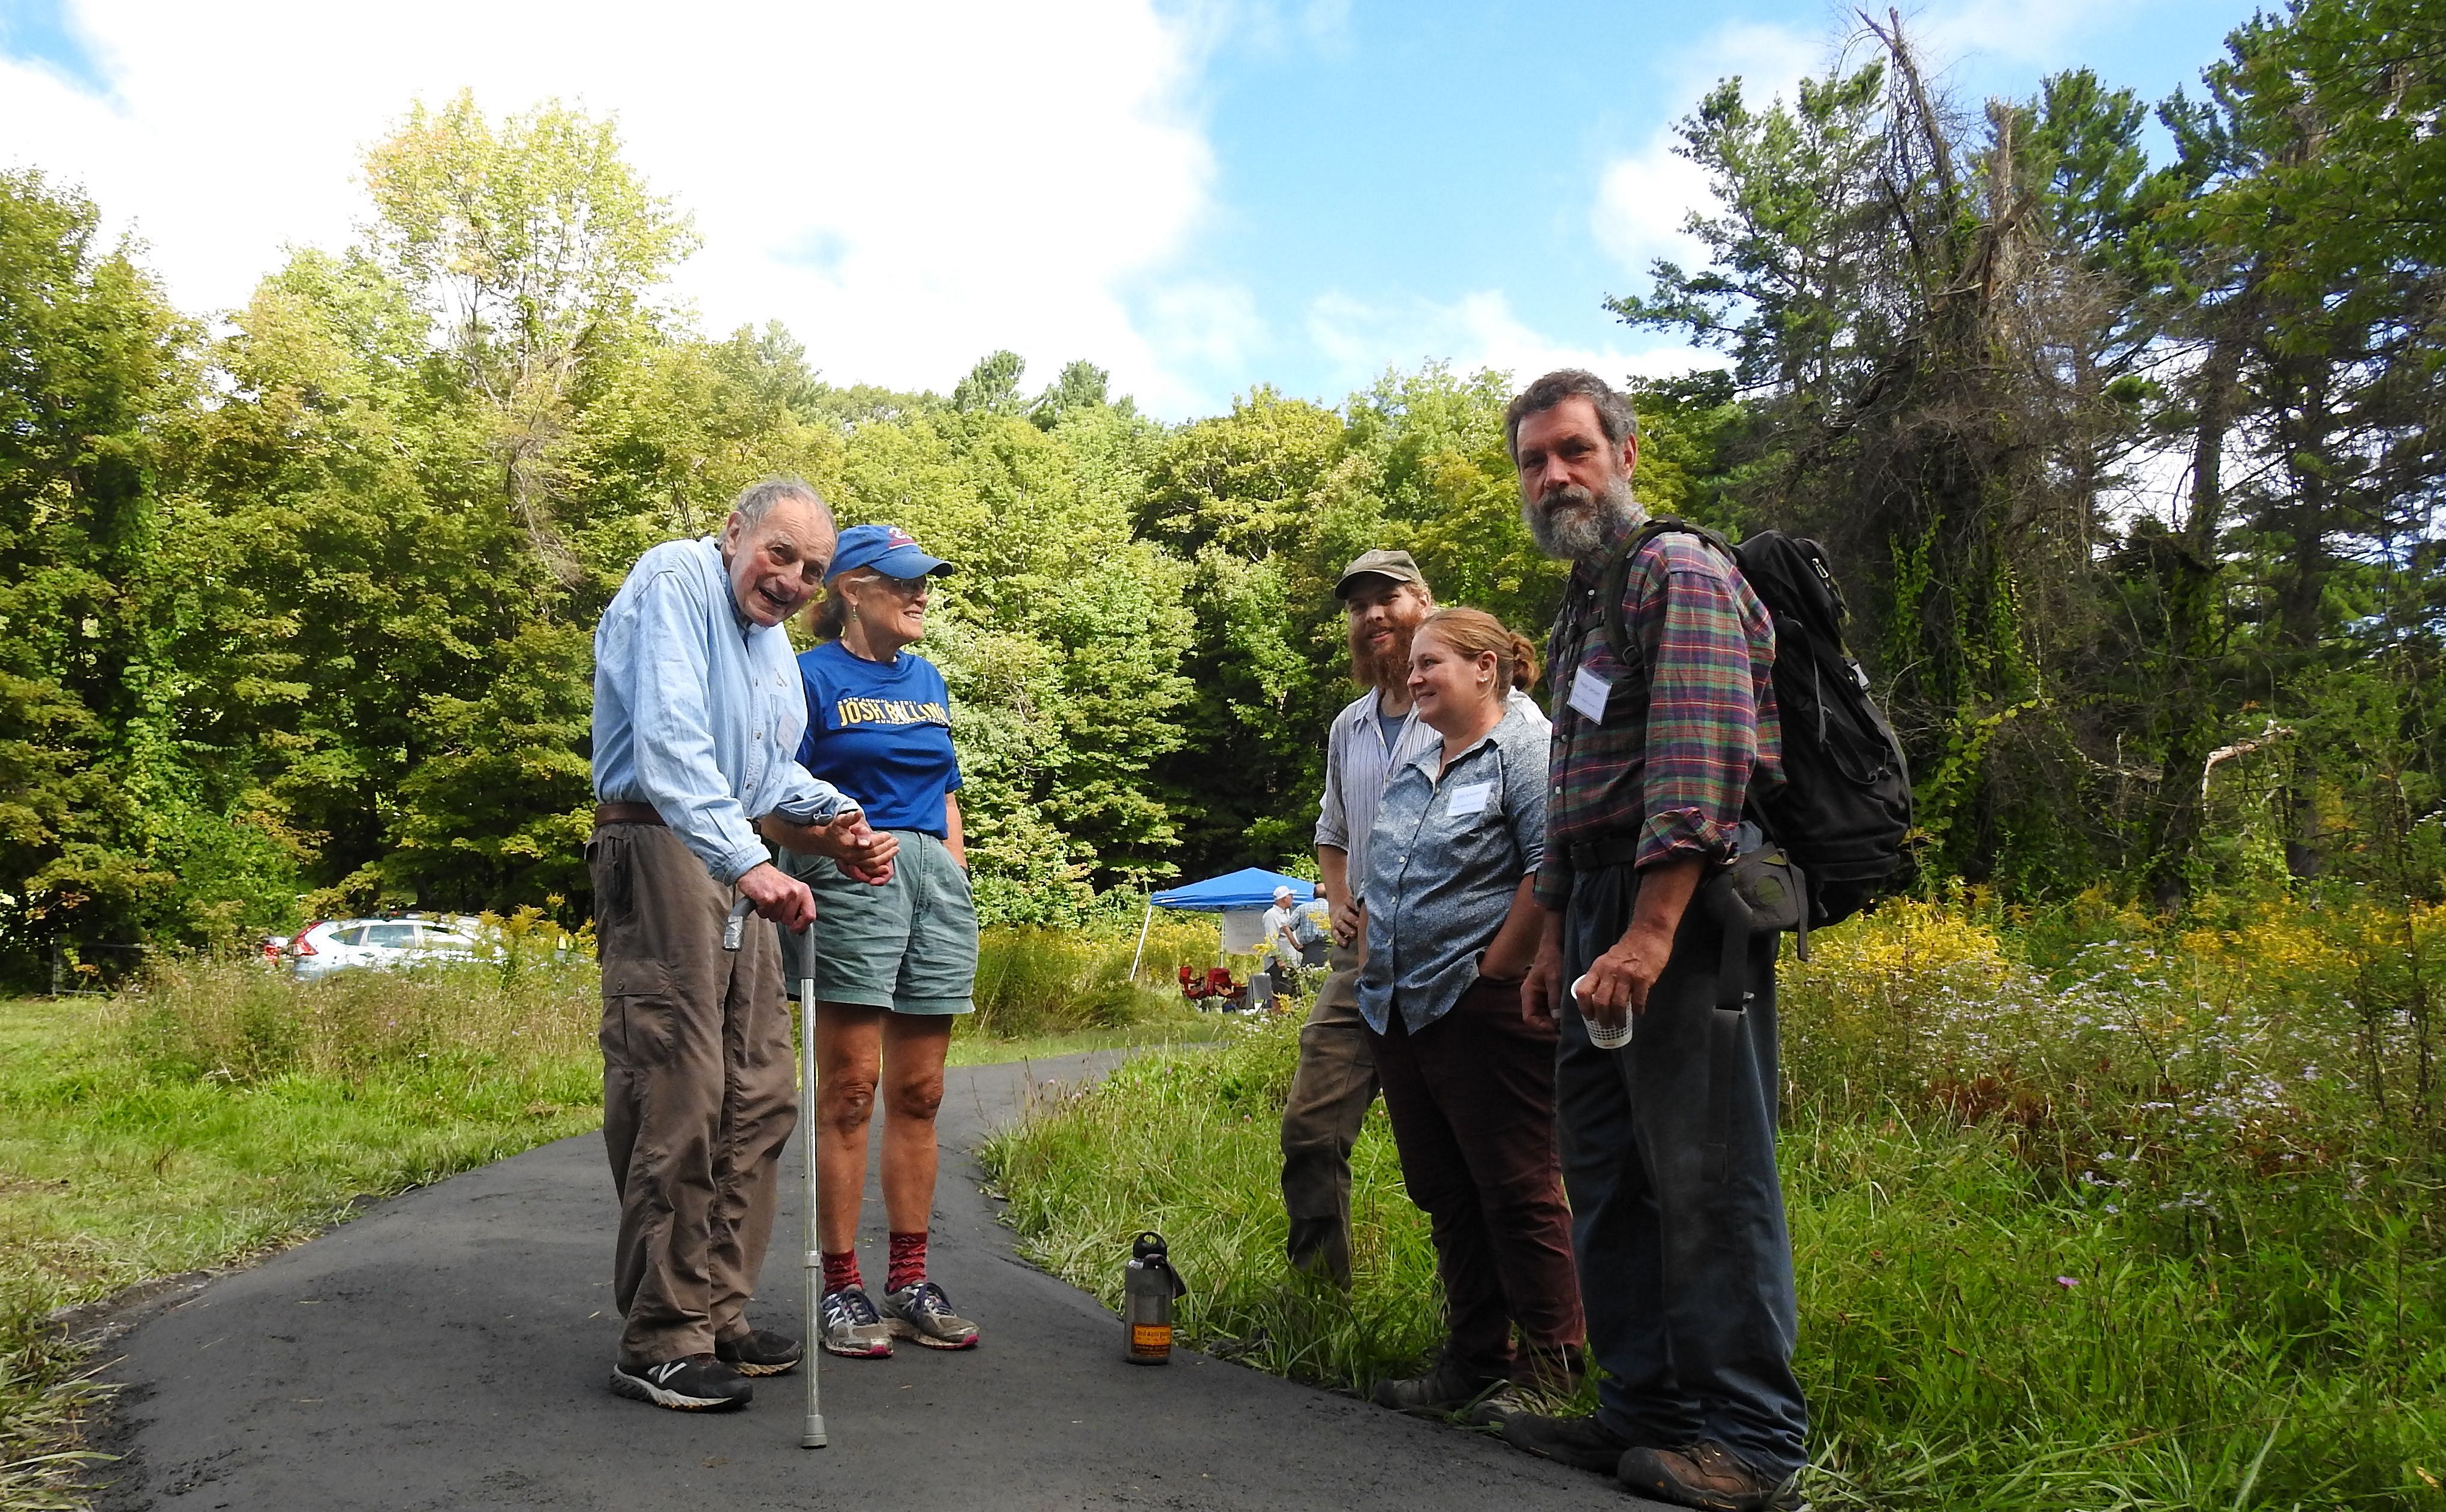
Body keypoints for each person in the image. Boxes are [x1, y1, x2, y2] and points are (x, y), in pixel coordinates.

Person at [1495, 371, 1806, 1512]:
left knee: (1708, 1175)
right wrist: (1551, 942)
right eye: (1533, 460)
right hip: (1594, 912)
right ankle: (1643, 1407)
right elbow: (1581, 779)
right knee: (1608, 1171)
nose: (1553, 476)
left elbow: (1696, 763)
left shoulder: (1678, 571)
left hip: (1680, 912)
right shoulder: (1588, 596)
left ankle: (1756, 1442)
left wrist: (1647, 930)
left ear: (1623, 453)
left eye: (1572, 450)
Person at [590, 476, 900, 1413]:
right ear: (734, 533)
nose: (792, 581)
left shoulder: (770, 650)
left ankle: (716, 1311)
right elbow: (672, 740)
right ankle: (659, 1336)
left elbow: (765, 769)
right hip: (659, 840)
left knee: (760, 1091)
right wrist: (745, 858)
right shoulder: (672, 581)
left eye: (811, 569)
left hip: (735, 854)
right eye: (779, 554)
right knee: (678, 1091)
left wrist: (837, 817)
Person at [1357, 608, 1579, 1421]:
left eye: (1431, 663)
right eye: (1412, 666)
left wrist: (1497, 971)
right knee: (1446, 1191)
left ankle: (1553, 1371)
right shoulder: (1420, 758)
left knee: (1516, 1188)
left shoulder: (1528, 748)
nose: (1412, 677)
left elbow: (1547, 865)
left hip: (1479, 1005)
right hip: (1399, 1007)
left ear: (1486, 667)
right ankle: (1476, 1358)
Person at [770, 522, 984, 1359]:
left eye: (924, 580)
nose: (920, 593)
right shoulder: (805, 678)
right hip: (853, 874)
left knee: (921, 1092)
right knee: (851, 1087)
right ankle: (842, 1286)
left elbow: (947, 789)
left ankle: (908, 1278)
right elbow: (769, 799)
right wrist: (832, 849)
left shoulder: (926, 677)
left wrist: (954, 872)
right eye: (902, 581)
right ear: (851, 589)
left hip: (934, 877)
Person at [1284, 549, 1440, 1283]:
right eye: (1358, 605)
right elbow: (1332, 828)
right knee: (1310, 1130)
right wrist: (1338, 897)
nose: (1373, 614)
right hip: (1362, 958)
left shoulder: (1476, 703)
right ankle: (1318, 1300)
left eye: (1389, 598)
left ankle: (1485, 1334)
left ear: (1423, 601)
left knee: (1467, 1149)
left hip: (1453, 953)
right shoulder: (1350, 724)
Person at [1261, 883, 1304, 1000]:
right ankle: (1277, 1016)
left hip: (1289, 962)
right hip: (1279, 964)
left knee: (1293, 992)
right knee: (1280, 993)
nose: (1293, 898)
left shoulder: (1285, 915)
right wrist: (1278, 960)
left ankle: (1288, 1017)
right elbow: (1271, 939)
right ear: (1285, 898)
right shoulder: (1272, 915)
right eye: (1291, 896)